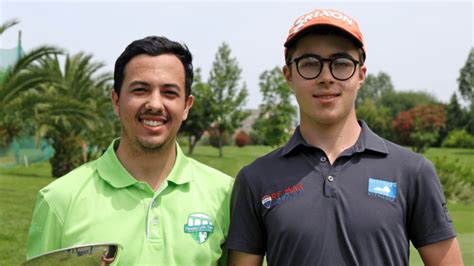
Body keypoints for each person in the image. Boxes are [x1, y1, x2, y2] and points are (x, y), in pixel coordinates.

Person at [227, 8, 463, 266]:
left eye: (341, 63)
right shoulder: (255, 179)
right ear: (288, 76)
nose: (326, 77)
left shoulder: (412, 171)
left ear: (360, 75)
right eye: (309, 63)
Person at [26, 36, 233, 265]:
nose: (155, 104)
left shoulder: (226, 194)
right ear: (116, 100)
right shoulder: (59, 199)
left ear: (186, 106)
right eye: (140, 90)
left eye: (169, 93)